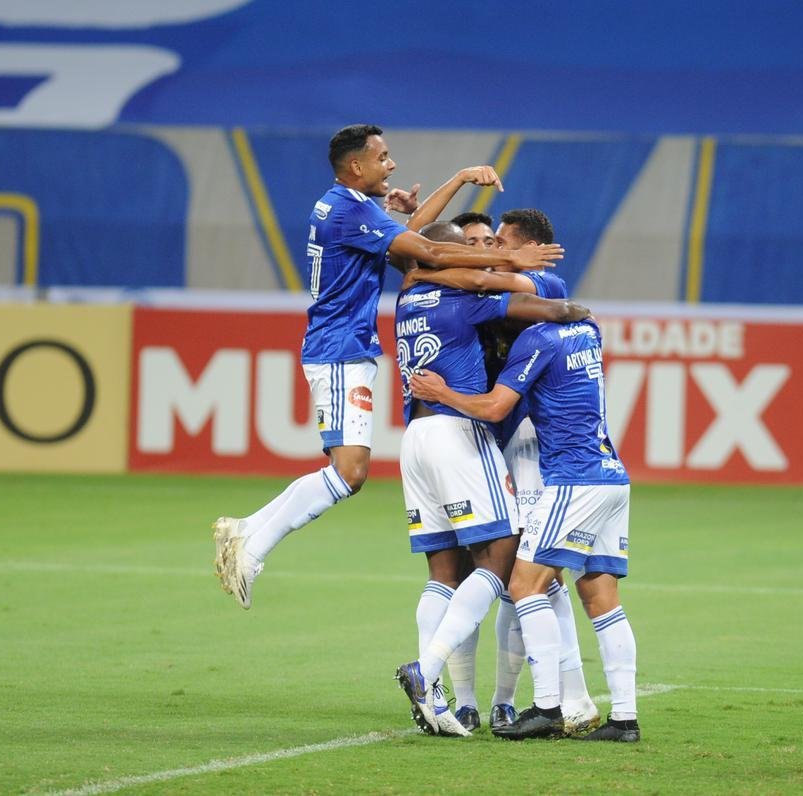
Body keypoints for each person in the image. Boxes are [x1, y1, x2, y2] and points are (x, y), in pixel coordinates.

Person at [212, 125, 563, 609]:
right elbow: (431, 250)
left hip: (344, 348)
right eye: (383, 157)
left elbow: (416, 232)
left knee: (348, 473)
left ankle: (248, 532)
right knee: (349, 472)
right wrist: (511, 255)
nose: (391, 165)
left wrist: (458, 179)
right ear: (357, 166)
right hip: (338, 350)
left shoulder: (342, 204)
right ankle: (252, 542)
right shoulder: (350, 211)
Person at [400, 206, 601, 733]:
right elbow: (421, 255)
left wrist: (422, 264)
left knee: (529, 576)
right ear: (456, 252)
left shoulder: (527, 285)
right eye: (476, 243)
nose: (488, 248)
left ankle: (533, 698)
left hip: (525, 441)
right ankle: (456, 697)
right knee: (486, 571)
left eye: (496, 241)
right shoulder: (465, 299)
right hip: (475, 440)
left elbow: (552, 308)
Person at [403, 314, 640, 742]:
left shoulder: (536, 340)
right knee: (600, 596)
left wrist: (441, 392)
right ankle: (623, 719)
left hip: (570, 478)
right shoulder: (587, 329)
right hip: (611, 475)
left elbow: (496, 409)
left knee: (523, 584)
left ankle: (547, 707)